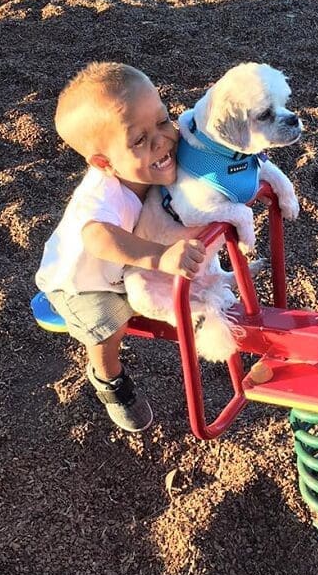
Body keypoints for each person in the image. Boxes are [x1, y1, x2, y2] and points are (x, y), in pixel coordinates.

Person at [35, 62, 206, 432]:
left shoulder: (151, 165)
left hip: (125, 266)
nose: (161, 141)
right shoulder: (104, 193)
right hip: (81, 283)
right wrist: (161, 257)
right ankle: (109, 378)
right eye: (139, 140)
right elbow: (96, 236)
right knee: (109, 321)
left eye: (163, 121)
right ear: (104, 163)